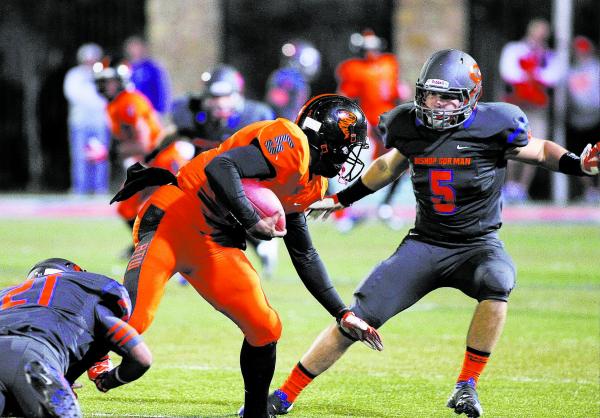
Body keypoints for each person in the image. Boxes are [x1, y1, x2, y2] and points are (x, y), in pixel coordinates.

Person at [265, 49, 600, 418]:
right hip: (425, 244)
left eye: (447, 97)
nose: (436, 105)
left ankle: (466, 386)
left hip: (477, 245)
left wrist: (577, 164)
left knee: (499, 278)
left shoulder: (496, 125)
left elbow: (538, 152)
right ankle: (283, 395)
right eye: (430, 95)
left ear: (470, 96)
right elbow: (388, 165)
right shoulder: (409, 125)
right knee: (358, 316)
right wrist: (342, 199)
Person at [111, 94, 383, 418]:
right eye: (345, 145)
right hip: (176, 217)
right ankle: (59, 366)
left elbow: (304, 252)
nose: (348, 155)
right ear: (324, 141)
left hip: (214, 242)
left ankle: (256, 413)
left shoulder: (313, 184)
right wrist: (253, 220)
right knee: (135, 319)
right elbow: (220, 166)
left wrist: (341, 313)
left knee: (264, 326)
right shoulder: (290, 143)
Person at [0, 257, 152, 417]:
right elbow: (141, 358)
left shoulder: (7, 296)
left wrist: (60, 375)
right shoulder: (85, 292)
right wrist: (109, 380)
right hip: (33, 357)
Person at [171, 64, 280, 279]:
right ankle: (187, 259)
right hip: (205, 175)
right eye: (214, 97)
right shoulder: (190, 113)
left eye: (226, 96)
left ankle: (260, 242)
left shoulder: (256, 116)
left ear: (237, 95)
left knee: (230, 202)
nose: (220, 103)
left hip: (245, 181)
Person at [94, 61, 193, 257]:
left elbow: (145, 144)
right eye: (102, 81)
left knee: (177, 209)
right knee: (126, 205)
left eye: (108, 81)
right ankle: (143, 244)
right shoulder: (114, 105)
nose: (104, 86)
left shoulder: (130, 102)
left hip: (165, 159)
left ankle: (187, 248)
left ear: (120, 81)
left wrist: (108, 154)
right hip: (151, 161)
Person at [334, 28, 410, 231]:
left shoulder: (389, 63)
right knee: (353, 165)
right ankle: (344, 212)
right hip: (367, 123)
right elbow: (344, 97)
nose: (372, 51)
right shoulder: (354, 68)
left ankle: (385, 206)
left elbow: (396, 91)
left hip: (388, 122)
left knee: (401, 163)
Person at [499, 18, 564, 203]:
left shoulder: (549, 55)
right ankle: (509, 185)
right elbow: (508, 72)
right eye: (537, 32)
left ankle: (522, 188)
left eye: (543, 34)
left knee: (535, 146)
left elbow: (553, 76)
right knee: (513, 145)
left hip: (537, 108)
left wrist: (536, 72)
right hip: (517, 106)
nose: (539, 37)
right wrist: (528, 73)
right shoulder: (514, 49)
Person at [63, 43, 110, 195]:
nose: (90, 62)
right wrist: (95, 102)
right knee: (79, 156)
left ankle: (100, 188)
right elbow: (74, 94)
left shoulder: (104, 75)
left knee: (100, 156)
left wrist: (96, 102)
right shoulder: (74, 75)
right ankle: (80, 188)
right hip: (80, 122)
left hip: (99, 122)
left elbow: (108, 96)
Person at [566, 35, 600, 203]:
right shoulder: (570, 70)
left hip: (596, 118)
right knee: (581, 156)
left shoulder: (596, 68)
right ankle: (589, 190)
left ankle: (597, 189)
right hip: (577, 121)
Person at [265, 39, 321, 121]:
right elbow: (276, 100)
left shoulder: (301, 82)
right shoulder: (284, 76)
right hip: (280, 123)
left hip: (291, 121)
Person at [123, 35, 172, 117]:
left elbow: (161, 88)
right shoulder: (127, 68)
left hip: (151, 111)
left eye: (136, 47)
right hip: (133, 112)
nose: (134, 50)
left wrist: (161, 109)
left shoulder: (152, 68)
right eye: (131, 47)